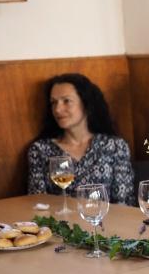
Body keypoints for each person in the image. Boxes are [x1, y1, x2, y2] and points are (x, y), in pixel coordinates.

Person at [27, 73, 134, 205]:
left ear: (86, 104)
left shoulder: (115, 146)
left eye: (66, 101)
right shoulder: (40, 150)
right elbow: (37, 202)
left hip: (105, 217)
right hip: (59, 218)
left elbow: (124, 202)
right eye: (54, 103)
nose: (58, 109)